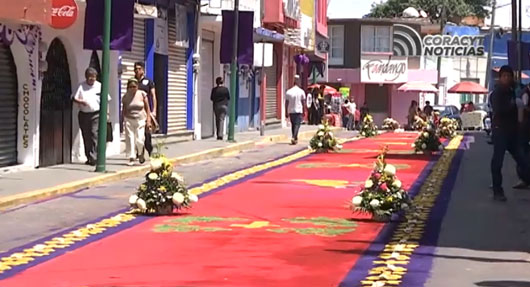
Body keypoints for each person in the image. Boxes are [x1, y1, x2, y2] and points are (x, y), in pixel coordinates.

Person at [490, 65, 530, 201]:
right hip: (500, 130)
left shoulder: (513, 90)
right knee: (497, 161)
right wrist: (514, 104)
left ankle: (527, 180)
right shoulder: (497, 93)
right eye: (504, 76)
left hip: (513, 132)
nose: (507, 78)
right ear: (500, 78)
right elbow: (499, 109)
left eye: (509, 76)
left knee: (523, 160)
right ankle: (497, 190)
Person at [72, 68, 110, 166]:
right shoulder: (81, 86)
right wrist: (81, 102)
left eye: (93, 78)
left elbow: (106, 100)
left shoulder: (100, 86)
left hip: (96, 114)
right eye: (90, 78)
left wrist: (107, 113)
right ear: (86, 77)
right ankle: (89, 157)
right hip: (84, 114)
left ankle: (94, 157)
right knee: (86, 136)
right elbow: (74, 98)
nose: (92, 80)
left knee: (94, 134)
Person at [122, 78, 152, 166]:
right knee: (130, 138)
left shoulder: (142, 94)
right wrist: (122, 120)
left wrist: (149, 120)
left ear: (137, 86)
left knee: (140, 139)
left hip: (141, 119)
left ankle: (140, 153)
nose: (132, 88)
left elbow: (147, 108)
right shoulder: (125, 96)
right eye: (130, 87)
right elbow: (124, 109)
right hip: (129, 119)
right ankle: (131, 157)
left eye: (134, 86)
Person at [134, 62, 157, 157]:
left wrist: (154, 110)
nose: (137, 71)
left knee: (146, 133)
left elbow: (153, 96)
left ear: (143, 70)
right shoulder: (133, 82)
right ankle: (139, 153)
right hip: (135, 111)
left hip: (146, 111)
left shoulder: (148, 81)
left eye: (139, 69)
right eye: (135, 69)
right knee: (136, 133)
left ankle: (149, 149)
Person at [285, 75, 306, 145]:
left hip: (291, 111)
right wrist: (304, 110)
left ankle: (295, 138)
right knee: (297, 125)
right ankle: (294, 137)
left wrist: (286, 111)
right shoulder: (301, 91)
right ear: (298, 82)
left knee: (293, 125)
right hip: (299, 110)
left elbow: (286, 103)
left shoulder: (289, 91)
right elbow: (303, 102)